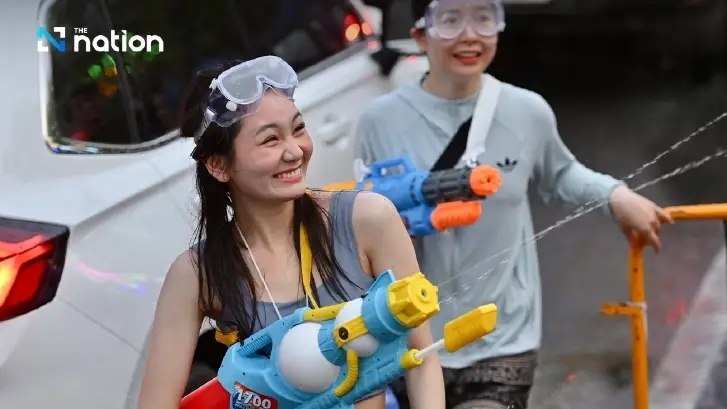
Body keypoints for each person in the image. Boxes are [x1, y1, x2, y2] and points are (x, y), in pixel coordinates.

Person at [354, 1, 674, 408]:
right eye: (450, 21)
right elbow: (361, 221)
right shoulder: (378, 121)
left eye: (483, 19)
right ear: (420, 35)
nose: (470, 35)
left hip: (501, 337)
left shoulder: (526, 111)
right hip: (410, 339)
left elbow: (561, 174)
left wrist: (616, 195)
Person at [136, 56, 445, 409]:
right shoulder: (195, 273)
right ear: (219, 165)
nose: (295, 150)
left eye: (298, 129)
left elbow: (423, 355)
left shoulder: (369, 219)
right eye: (270, 140)